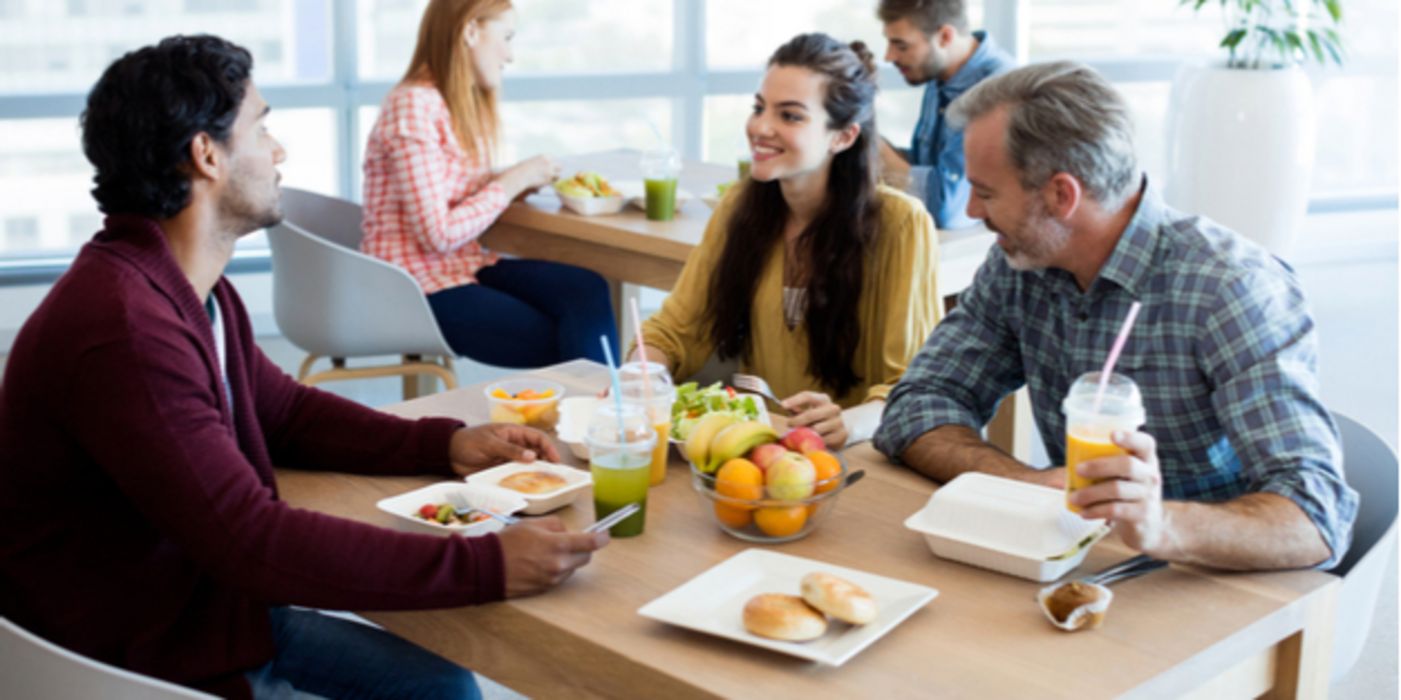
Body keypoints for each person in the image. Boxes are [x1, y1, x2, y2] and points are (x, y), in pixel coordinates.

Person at [0, 35, 608, 698]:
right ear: (207, 156)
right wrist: (483, 564)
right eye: (262, 128)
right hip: (138, 662)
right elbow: (250, 540)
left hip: (204, 615)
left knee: (442, 687)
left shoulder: (183, 288)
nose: (278, 150)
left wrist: (445, 442)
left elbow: (283, 411)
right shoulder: (125, 331)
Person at [874, 62, 1358, 571]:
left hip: (1207, 578)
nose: (971, 210)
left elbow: (1316, 519)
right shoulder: (1021, 263)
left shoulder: (1232, 289)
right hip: (1084, 564)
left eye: (987, 192)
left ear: (1062, 195)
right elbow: (918, 403)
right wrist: (1025, 482)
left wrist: (1161, 525)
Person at [632, 33, 943, 449]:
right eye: (759, 108)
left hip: (862, 459)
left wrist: (849, 423)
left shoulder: (903, 224)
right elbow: (674, 331)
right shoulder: (739, 206)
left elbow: (912, 388)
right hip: (762, 451)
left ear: (844, 136)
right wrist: (638, 377)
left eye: (790, 116)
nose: (761, 128)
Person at [362, 0, 619, 367]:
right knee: (566, 338)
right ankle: (598, 417)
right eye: (507, 37)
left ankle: (598, 415)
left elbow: (446, 189)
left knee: (587, 289)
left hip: (462, 266)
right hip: (416, 287)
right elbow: (438, 233)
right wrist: (512, 182)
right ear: (470, 31)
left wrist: (509, 181)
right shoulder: (413, 105)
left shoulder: (448, 104)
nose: (510, 56)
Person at [876, 0, 1014, 229]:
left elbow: (947, 208)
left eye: (901, 45)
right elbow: (928, 166)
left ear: (945, 37)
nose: (888, 56)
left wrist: (874, 145)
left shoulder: (996, 91)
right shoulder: (939, 75)